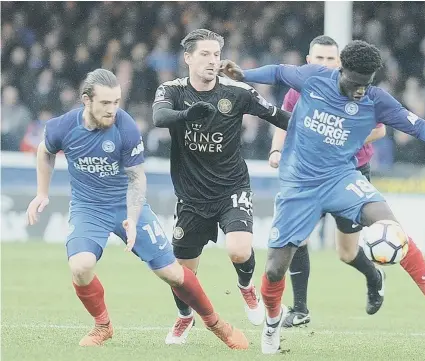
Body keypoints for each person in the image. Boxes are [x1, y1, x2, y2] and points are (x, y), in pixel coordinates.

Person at [220, 40, 425, 354]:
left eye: (367, 83)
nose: (361, 90)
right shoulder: (313, 79)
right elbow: (280, 72)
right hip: (300, 185)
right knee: (274, 269)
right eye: (355, 83)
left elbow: (415, 124)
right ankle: (272, 324)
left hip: (341, 177)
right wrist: (244, 74)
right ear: (341, 70)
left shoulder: (376, 100)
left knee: (392, 229)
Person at [26, 68, 248, 350]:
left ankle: (216, 323)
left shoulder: (125, 126)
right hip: (88, 208)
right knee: (81, 267)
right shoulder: (63, 127)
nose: (112, 109)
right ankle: (103, 326)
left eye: (116, 102)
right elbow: (44, 151)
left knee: (172, 273)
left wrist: (131, 219)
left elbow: (136, 178)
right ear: (86, 100)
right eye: (105, 103)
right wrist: (41, 193)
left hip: (127, 204)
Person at [152, 29, 290, 345]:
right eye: (205, 54)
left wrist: (314, 130)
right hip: (191, 196)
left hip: (232, 188)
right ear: (187, 58)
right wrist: (187, 115)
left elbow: (278, 116)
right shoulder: (171, 90)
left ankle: (246, 287)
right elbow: (160, 117)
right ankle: (185, 318)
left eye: (217, 54)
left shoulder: (238, 92)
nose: (213, 61)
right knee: (181, 273)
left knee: (239, 250)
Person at [269, 35, 386, 328]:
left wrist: (342, 138)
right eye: (318, 59)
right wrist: (275, 150)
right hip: (308, 176)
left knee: (346, 253)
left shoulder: (362, 91)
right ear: (309, 62)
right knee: (298, 238)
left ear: (341, 63)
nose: (324, 64)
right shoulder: (300, 90)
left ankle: (374, 275)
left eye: (330, 59)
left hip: (350, 174)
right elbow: (286, 122)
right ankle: (300, 309)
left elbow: (381, 130)